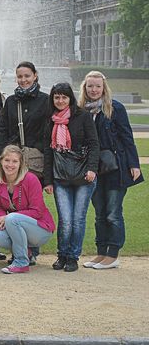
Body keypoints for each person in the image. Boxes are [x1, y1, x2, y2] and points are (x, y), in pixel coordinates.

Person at [78, 71, 144, 269]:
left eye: (98, 86)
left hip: (116, 167)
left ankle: (113, 254)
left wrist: (134, 164)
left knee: (113, 213)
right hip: (93, 168)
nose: (94, 90)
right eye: (90, 86)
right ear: (85, 88)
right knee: (99, 213)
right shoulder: (82, 110)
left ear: (104, 88)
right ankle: (101, 252)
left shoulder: (115, 108)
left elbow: (127, 137)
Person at [43, 83, 99, 272]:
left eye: (64, 97)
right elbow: (48, 152)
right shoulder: (50, 119)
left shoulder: (81, 116)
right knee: (65, 219)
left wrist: (92, 169)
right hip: (61, 177)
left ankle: (73, 256)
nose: (60, 101)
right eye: (56, 97)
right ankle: (62, 255)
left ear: (70, 99)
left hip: (84, 175)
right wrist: (48, 181)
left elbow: (93, 143)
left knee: (77, 219)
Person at [0, 145, 56, 274]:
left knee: (12, 218)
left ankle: (21, 262)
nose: (10, 165)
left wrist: (8, 217)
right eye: (7, 160)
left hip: (41, 229)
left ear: (21, 164)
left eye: (15, 161)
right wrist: (0, 218)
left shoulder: (31, 179)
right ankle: (26, 252)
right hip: (17, 224)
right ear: (1, 161)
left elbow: (37, 211)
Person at [0, 61, 48, 178]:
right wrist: (0, 156)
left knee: (32, 194)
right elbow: (3, 130)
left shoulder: (45, 100)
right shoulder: (10, 101)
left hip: (35, 159)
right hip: (12, 159)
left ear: (35, 76)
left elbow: (48, 132)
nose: (23, 80)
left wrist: (38, 149)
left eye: (27, 76)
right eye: (20, 76)